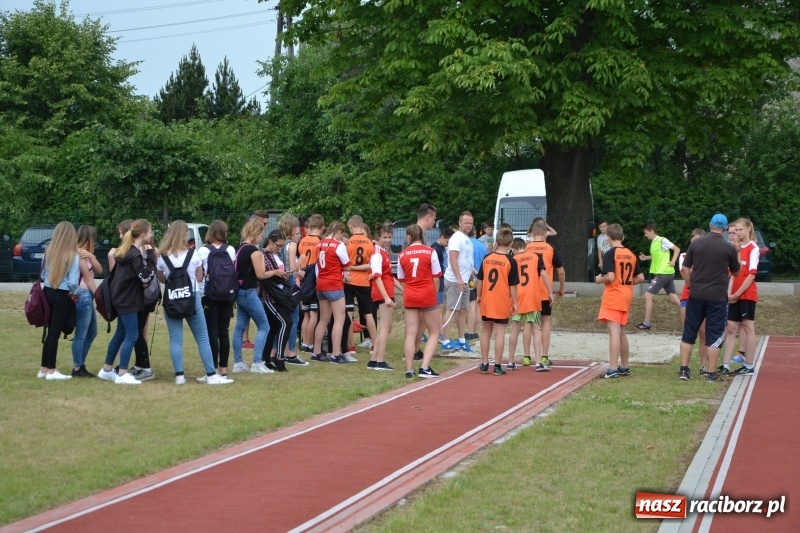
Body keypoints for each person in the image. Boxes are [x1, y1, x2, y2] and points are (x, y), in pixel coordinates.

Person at [157, 221, 234, 385]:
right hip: (192, 297)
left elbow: (162, 279)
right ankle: (211, 375)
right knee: (202, 338)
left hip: (172, 298)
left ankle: (179, 376)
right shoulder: (193, 255)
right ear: (184, 235)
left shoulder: (162, 257)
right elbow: (199, 277)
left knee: (175, 339)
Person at [678, 214, 741, 381]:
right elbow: (736, 272)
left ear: (710, 225)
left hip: (696, 294)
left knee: (689, 332)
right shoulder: (728, 248)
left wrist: (690, 284)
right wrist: (737, 253)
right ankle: (711, 372)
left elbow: (685, 268)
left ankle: (684, 370)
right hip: (717, 297)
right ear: (725, 229)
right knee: (714, 335)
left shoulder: (697, 243)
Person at [98, 219, 157, 385]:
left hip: (121, 299)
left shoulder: (126, 252)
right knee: (132, 334)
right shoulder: (135, 256)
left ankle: (107, 369)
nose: (151, 234)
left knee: (121, 334)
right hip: (128, 300)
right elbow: (145, 278)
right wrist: (151, 257)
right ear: (143, 234)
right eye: (150, 231)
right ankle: (122, 373)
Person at [595, 224, 645, 378]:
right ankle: (624, 366)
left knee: (614, 332)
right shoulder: (630, 254)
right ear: (622, 237)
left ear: (608, 238)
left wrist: (598, 279)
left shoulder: (610, 253)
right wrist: (626, 283)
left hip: (614, 295)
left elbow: (610, 276)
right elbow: (640, 277)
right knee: (621, 332)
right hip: (626, 295)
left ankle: (612, 369)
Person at [397, 224, 442, 379]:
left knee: (410, 332)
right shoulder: (430, 252)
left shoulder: (402, 254)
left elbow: (401, 279)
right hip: (427, 293)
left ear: (408, 237)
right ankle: (425, 367)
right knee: (434, 331)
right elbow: (436, 278)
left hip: (411, 294)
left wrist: (409, 290)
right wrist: (434, 296)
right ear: (421, 236)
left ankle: (409, 369)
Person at [37, 221, 80, 381]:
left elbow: (42, 275)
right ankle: (51, 370)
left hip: (47, 292)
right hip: (61, 295)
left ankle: (43, 368)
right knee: (54, 333)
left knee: (50, 332)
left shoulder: (48, 251)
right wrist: (75, 293)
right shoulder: (72, 255)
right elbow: (74, 281)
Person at [232, 218, 273, 375]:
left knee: (240, 327)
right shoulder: (254, 251)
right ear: (255, 233)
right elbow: (261, 274)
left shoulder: (240, 248)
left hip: (239, 291)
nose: (262, 237)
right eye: (261, 234)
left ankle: (238, 362)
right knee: (264, 326)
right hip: (249, 292)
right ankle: (257, 362)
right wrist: (274, 271)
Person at [475, 228, 519, 376]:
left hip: (487, 298)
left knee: (486, 331)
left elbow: (480, 279)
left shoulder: (487, 258)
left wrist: (479, 295)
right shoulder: (510, 261)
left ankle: (484, 364)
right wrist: (515, 302)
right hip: (501, 300)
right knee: (500, 333)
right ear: (511, 244)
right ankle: (498, 366)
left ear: (496, 242)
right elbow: (513, 285)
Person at [719, 218, 760, 376]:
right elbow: (733, 274)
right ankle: (725, 364)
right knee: (731, 328)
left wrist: (737, 294)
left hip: (746, 295)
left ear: (748, 229)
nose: (737, 233)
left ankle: (749, 365)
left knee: (748, 327)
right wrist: (730, 294)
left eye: (740, 229)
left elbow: (751, 276)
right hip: (735, 295)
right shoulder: (736, 248)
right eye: (735, 230)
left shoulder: (753, 248)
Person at [197, 220, 237, 378]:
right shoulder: (230, 249)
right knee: (224, 332)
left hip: (210, 295)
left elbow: (200, 273)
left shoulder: (203, 250)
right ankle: (223, 370)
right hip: (228, 294)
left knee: (212, 332)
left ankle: (212, 370)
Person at [507, 238, 552, 371]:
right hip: (532, 296)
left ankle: (510, 361)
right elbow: (543, 274)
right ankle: (538, 362)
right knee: (536, 329)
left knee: (515, 328)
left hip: (517, 296)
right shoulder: (536, 257)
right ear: (525, 246)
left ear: (514, 249)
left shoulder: (513, 260)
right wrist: (550, 291)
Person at [526, 220, 565, 367]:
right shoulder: (550, 248)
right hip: (544, 290)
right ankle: (544, 355)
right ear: (545, 234)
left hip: (528, 291)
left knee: (529, 322)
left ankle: (526, 355)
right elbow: (561, 271)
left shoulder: (526, 248)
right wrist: (561, 288)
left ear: (532, 233)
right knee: (546, 321)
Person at [312, 221, 352, 364]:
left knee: (323, 319)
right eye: (341, 234)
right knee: (339, 319)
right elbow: (347, 265)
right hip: (334, 284)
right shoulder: (339, 245)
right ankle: (336, 354)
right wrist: (344, 273)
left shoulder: (319, 244)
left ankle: (316, 352)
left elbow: (318, 266)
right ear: (339, 231)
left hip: (321, 284)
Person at [367, 223, 402, 370]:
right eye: (384, 237)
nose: (387, 240)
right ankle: (380, 361)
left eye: (389, 237)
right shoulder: (377, 253)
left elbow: (389, 276)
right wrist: (386, 297)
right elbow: (377, 277)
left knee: (387, 326)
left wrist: (403, 289)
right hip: (383, 292)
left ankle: (374, 359)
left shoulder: (383, 252)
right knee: (385, 327)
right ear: (378, 237)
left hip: (386, 291)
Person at [259, 230, 293, 372]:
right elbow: (261, 274)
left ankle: (266, 359)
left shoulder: (277, 254)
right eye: (278, 245)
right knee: (286, 322)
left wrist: (283, 275)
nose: (279, 248)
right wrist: (275, 272)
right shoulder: (262, 254)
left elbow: (278, 271)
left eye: (281, 246)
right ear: (271, 242)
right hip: (268, 296)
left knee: (274, 327)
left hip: (279, 295)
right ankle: (278, 357)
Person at [636, 222, 681, 330]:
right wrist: (646, 257)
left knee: (648, 296)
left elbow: (677, 249)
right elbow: (657, 256)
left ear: (652, 231)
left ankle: (646, 323)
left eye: (646, 233)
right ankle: (692, 312)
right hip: (666, 273)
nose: (645, 235)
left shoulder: (662, 240)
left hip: (664, 273)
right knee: (673, 298)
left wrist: (673, 261)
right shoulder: (654, 242)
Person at [71, 225, 103, 378]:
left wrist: (92, 256)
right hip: (83, 294)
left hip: (87, 295)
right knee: (81, 333)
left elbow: (100, 270)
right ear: (89, 238)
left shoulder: (86, 254)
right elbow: (88, 276)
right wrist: (98, 295)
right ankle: (78, 367)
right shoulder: (78, 254)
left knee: (92, 332)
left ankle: (80, 364)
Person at [441, 211, 475, 353]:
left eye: (470, 223)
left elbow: (466, 259)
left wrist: (472, 275)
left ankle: (462, 339)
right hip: (455, 280)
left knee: (462, 310)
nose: (468, 225)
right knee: (451, 309)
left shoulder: (467, 239)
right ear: (460, 223)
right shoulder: (456, 238)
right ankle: (445, 340)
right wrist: (459, 278)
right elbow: (453, 259)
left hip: (465, 280)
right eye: (466, 223)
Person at [344, 215, 376, 360]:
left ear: (351, 226)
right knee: (368, 314)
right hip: (364, 281)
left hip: (349, 281)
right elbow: (371, 265)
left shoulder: (348, 242)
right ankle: (374, 344)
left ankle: (351, 346)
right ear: (362, 226)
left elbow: (345, 264)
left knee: (349, 313)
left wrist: (352, 268)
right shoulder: (369, 243)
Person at [277, 214, 307, 366]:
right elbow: (292, 268)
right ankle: (292, 352)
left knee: (282, 319)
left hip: (280, 283)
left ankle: (280, 350)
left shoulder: (280, 244)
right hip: (290, 283)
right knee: (294, 319)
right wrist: (300, 261)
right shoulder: (292, 245)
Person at [679, 229, 709, 374]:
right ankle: (685, 367)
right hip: (688, 295)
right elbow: (686, 276)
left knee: (703, 332)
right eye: (692, 243)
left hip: (704, 296)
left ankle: (703, 366)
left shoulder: (709, 256)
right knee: (688, 332)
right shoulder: (684, 256)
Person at [298, 214, 325, 353]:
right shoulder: (320, 242)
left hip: (303, 276)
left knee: (306, 314)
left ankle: (304, 342)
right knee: (314, 314)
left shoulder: (302, 241)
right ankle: (310, 343)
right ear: (321, 227)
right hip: (313, 277)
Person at [430, 227, 454, 344]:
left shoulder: (442, 248)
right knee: (438, 307)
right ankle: (440, 333)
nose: (448, 244)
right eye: (447, 241)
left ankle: (439, 331)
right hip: (437, 280)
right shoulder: (435, 249)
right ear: (442, 237)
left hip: (441, 279)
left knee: (439, 306)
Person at [466, 228, 488, 341]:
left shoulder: (467, 244)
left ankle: (470, 332)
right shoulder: (482, 245)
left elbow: (468, 263)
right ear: (475, 233)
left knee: (471, 305)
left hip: (471, 277)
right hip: (481, 277)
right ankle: (475, 331)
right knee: (478, 305)